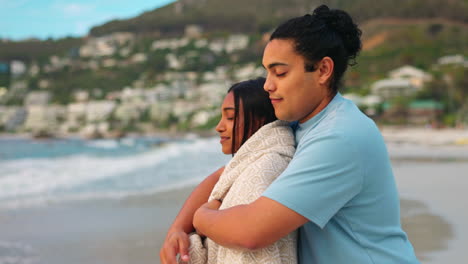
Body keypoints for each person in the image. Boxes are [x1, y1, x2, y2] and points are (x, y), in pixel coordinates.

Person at [161, 5, 420, 264]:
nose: (267, 85)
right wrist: (177, 230)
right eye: (267, 72)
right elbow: (226, 173)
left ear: (322, 70)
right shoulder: (296, 126)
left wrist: (201, 217)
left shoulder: (340, 136)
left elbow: (251, 231)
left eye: (280, 72)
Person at [178, 78, 297, 264]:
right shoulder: (251, 164)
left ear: (259, 119)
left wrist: (201, 218)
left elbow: (249, 239)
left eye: (230, 118)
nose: (219, 127)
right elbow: (220, 174)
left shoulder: (263, 170)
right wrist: (180, 228)